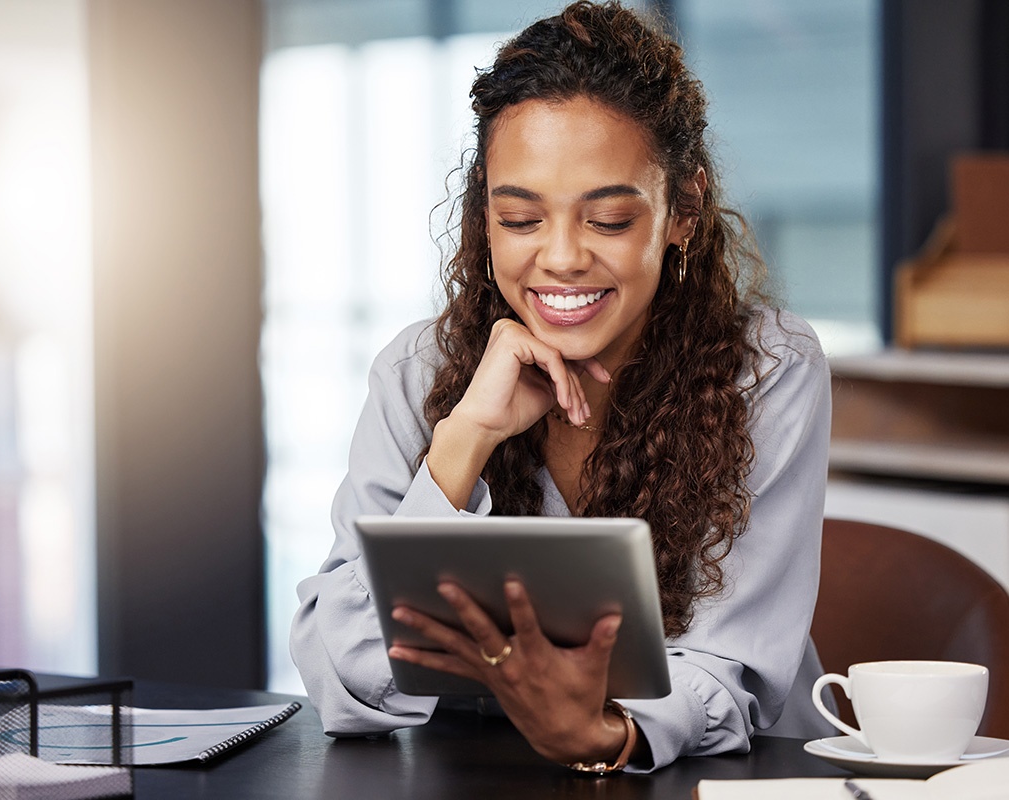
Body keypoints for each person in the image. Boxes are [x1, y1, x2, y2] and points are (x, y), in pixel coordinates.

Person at [290, 0, 835, 772]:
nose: (561, 258)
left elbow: (732, 669)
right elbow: (343, 680)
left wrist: (607, 736)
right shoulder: (419, 372)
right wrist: (462, 444)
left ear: (684, 211)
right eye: (519, 219)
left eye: (609, 219)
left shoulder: (768, 369)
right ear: (484, 217)